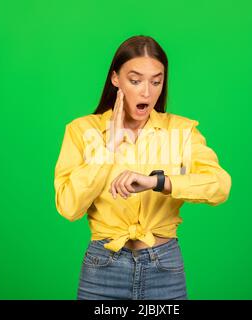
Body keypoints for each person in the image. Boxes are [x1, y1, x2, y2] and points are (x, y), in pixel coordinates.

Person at [54, 35, 232, 300]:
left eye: (156, 81)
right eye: (135, 80)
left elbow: (219, 186)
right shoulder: (82, 131)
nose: (146, 92)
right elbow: (69, 206)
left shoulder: (182, 131)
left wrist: (157, 182)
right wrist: (108, 149)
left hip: (164, 266)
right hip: (103, 268)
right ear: (116, 79)